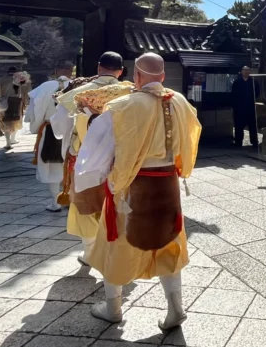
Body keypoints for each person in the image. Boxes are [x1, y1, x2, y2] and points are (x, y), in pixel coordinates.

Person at [76, 52, 200, 326]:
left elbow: (97, 152)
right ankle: (175, 308)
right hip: (168, 184)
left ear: (137, 76)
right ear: (164, 76)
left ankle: (113, 309)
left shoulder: (122, 107)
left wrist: (91, 181)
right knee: (168, 242)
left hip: (132, 185)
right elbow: (192, 137)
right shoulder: (181, 102)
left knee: (116, 243)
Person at [49, 51, 132, 265]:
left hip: (85, 160)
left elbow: (59, 127)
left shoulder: (76, 93)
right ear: (120, 71)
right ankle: (118, 251)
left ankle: (90, 253)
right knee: (119, 204)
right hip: (120, 160)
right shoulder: (131, 93)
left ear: (98, 68)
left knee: (85, 205)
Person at [26, 62, 72, 211]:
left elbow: (34, 110)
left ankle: (56, 202)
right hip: (72, 131)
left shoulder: (45, 86)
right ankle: (70, 199)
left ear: (56, 70)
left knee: (53, 168)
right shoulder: (78, 86)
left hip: (51, 130)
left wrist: (36, 125)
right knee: (72, 166)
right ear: (71, 71)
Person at [0, 67, 31, 150]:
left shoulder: (2, 80)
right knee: (16, 121)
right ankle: (13, 139)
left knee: (5, 121)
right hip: (17, 101)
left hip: (4, 102)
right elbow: (27, 88)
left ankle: (8, 142)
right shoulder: (20, 78)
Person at [231, 66, 258, 148]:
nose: (246, 72)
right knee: (239, 126)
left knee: (252, 126)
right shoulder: (237, 82)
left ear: (250, 71)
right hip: (239, 107)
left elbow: (257, 92)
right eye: (244, 70)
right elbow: (233, 94)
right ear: (241, 71)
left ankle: (254, 142)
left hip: (250, 107)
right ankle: (238, 142)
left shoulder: (254, 82)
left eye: (248, 70)